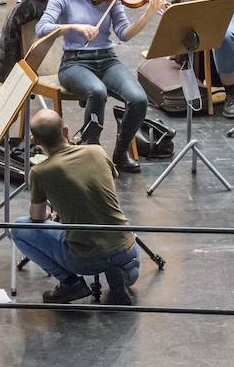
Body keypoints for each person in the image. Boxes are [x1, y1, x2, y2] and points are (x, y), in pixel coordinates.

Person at [36, 0, 163, 173]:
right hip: (74, 63)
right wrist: (73, 27)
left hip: (107, 59)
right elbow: (42, 28)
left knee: (138, 99)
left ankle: (121, 151)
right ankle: (90, 150)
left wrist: (147, 14)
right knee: (97, 91)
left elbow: (124, 34)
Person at [10, 109, 140, 306]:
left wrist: (50, 213)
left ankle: (70, 283)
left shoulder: (39, 172)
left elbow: (37, 217)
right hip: (127, 248)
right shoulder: (97, 151)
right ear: (66, 131)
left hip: (86, 259)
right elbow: (107, 184)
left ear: (35, 141)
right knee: (124, 263)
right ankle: (120, 273)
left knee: (18, 228)